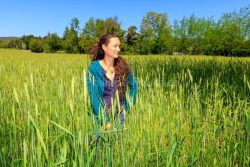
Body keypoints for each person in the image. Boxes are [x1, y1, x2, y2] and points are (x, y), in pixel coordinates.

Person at [87, 34, 138, 131]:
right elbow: (93, 97)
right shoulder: (94, 68)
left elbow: (134, 87)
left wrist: (125, 110)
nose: (118, 49)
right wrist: (106, 121)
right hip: (100, 117)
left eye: (119, 46)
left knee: (120, 144)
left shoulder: (123, 65)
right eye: (115, 46)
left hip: (120, 117)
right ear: (104, 47)